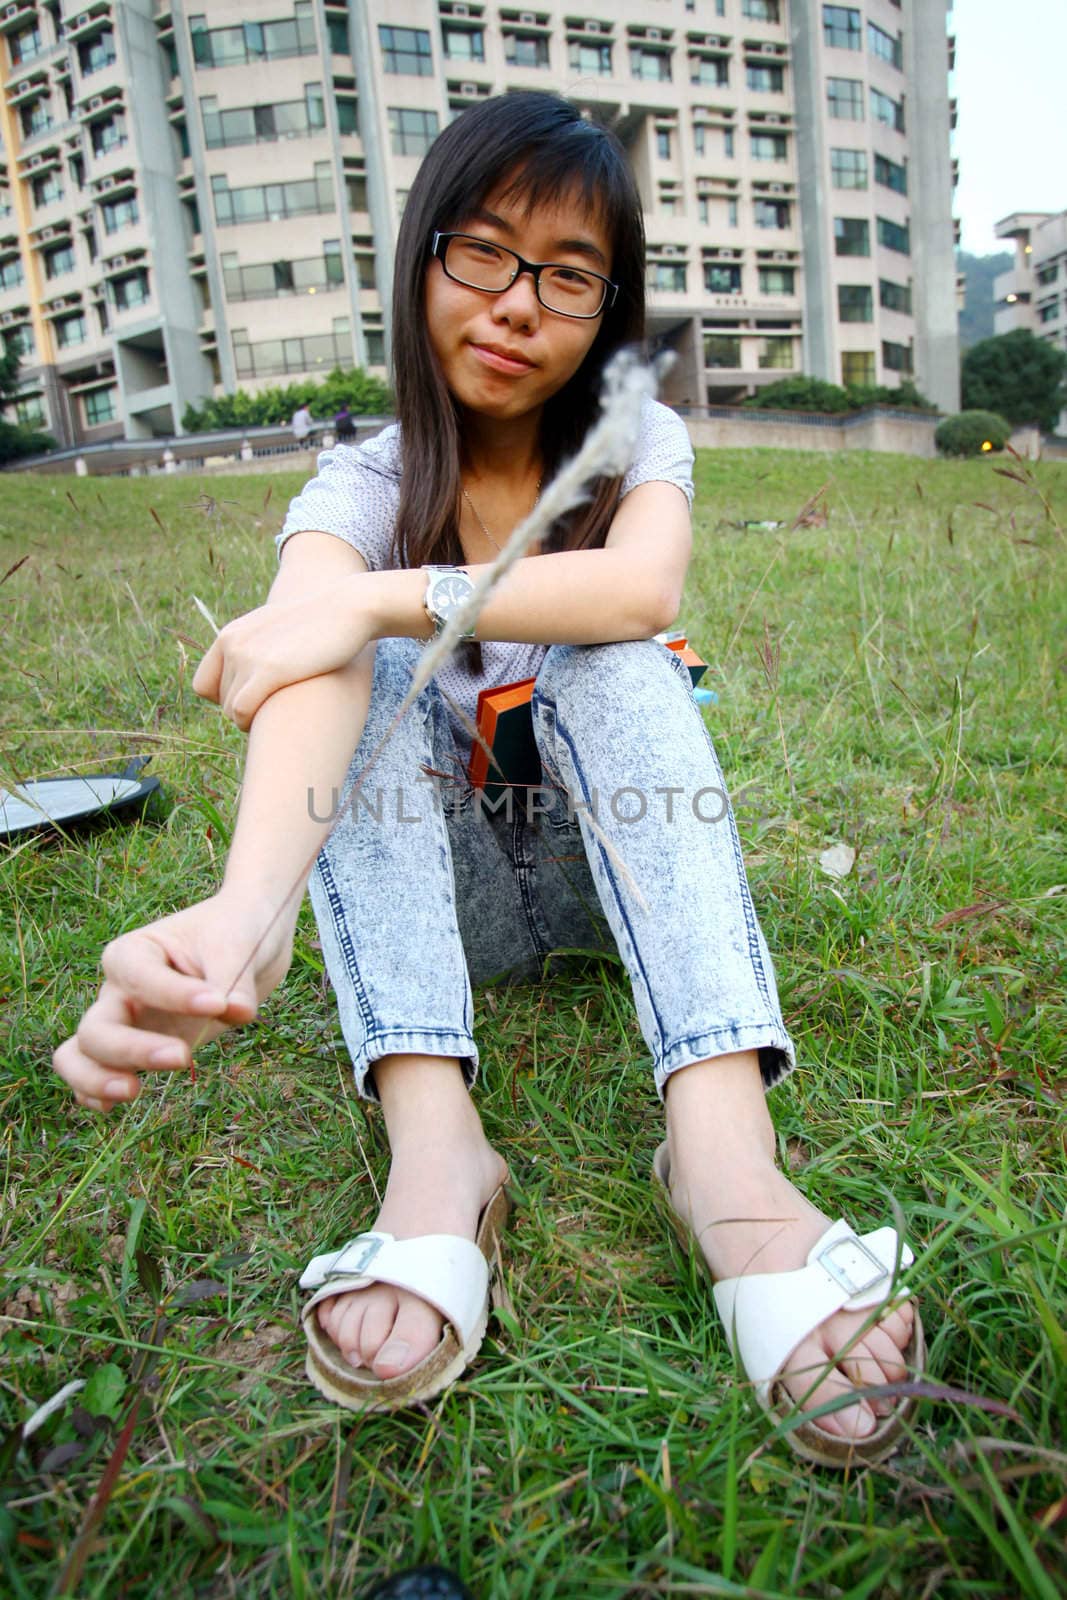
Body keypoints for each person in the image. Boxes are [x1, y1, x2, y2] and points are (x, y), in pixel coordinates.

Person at [52, 92, 922, 1467]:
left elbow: (640, 587)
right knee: (358, 668)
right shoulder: (363, 478)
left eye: (568, 274)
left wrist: (382, 599)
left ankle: (724, 1164)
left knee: (619, 655)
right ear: (422, 259)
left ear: (607, 312)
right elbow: (304, 660)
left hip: (606, 874)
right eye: (484, 252)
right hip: (442, 908)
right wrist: (245, 908)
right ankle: (437, 1148)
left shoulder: (632, 450)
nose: (518, 303)